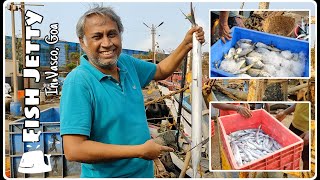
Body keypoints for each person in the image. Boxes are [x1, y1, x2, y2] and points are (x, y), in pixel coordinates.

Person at [59, 6, 205, 178]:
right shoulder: (78, 82)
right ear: (82, 42)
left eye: (112, 34)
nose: (107, 43)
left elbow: (160, 71)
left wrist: (187, 43)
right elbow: (74, 150)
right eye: (97, 36)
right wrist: (139, 151)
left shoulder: (125, 63)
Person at [275, 103, 309, 170]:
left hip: (307, 133)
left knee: (307, 159)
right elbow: (299, 102)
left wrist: (312, 131)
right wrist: (285, 112)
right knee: (288, 153)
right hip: (294, 126)